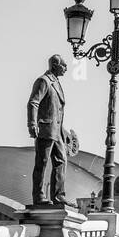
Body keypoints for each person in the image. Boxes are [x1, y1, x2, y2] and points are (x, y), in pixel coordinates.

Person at [27, 54, 72, 207]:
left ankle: (58, 196)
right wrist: (32, 124)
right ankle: (39, 196)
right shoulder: (44, 81)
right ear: (54, 65)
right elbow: (33, 103)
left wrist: (63, 131)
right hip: (45, 129)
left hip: (57, 132)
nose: (66, 68)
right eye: (63, 65)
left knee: (61, 162)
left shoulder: (57, 83)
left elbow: (56, 111)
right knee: (42, 163)